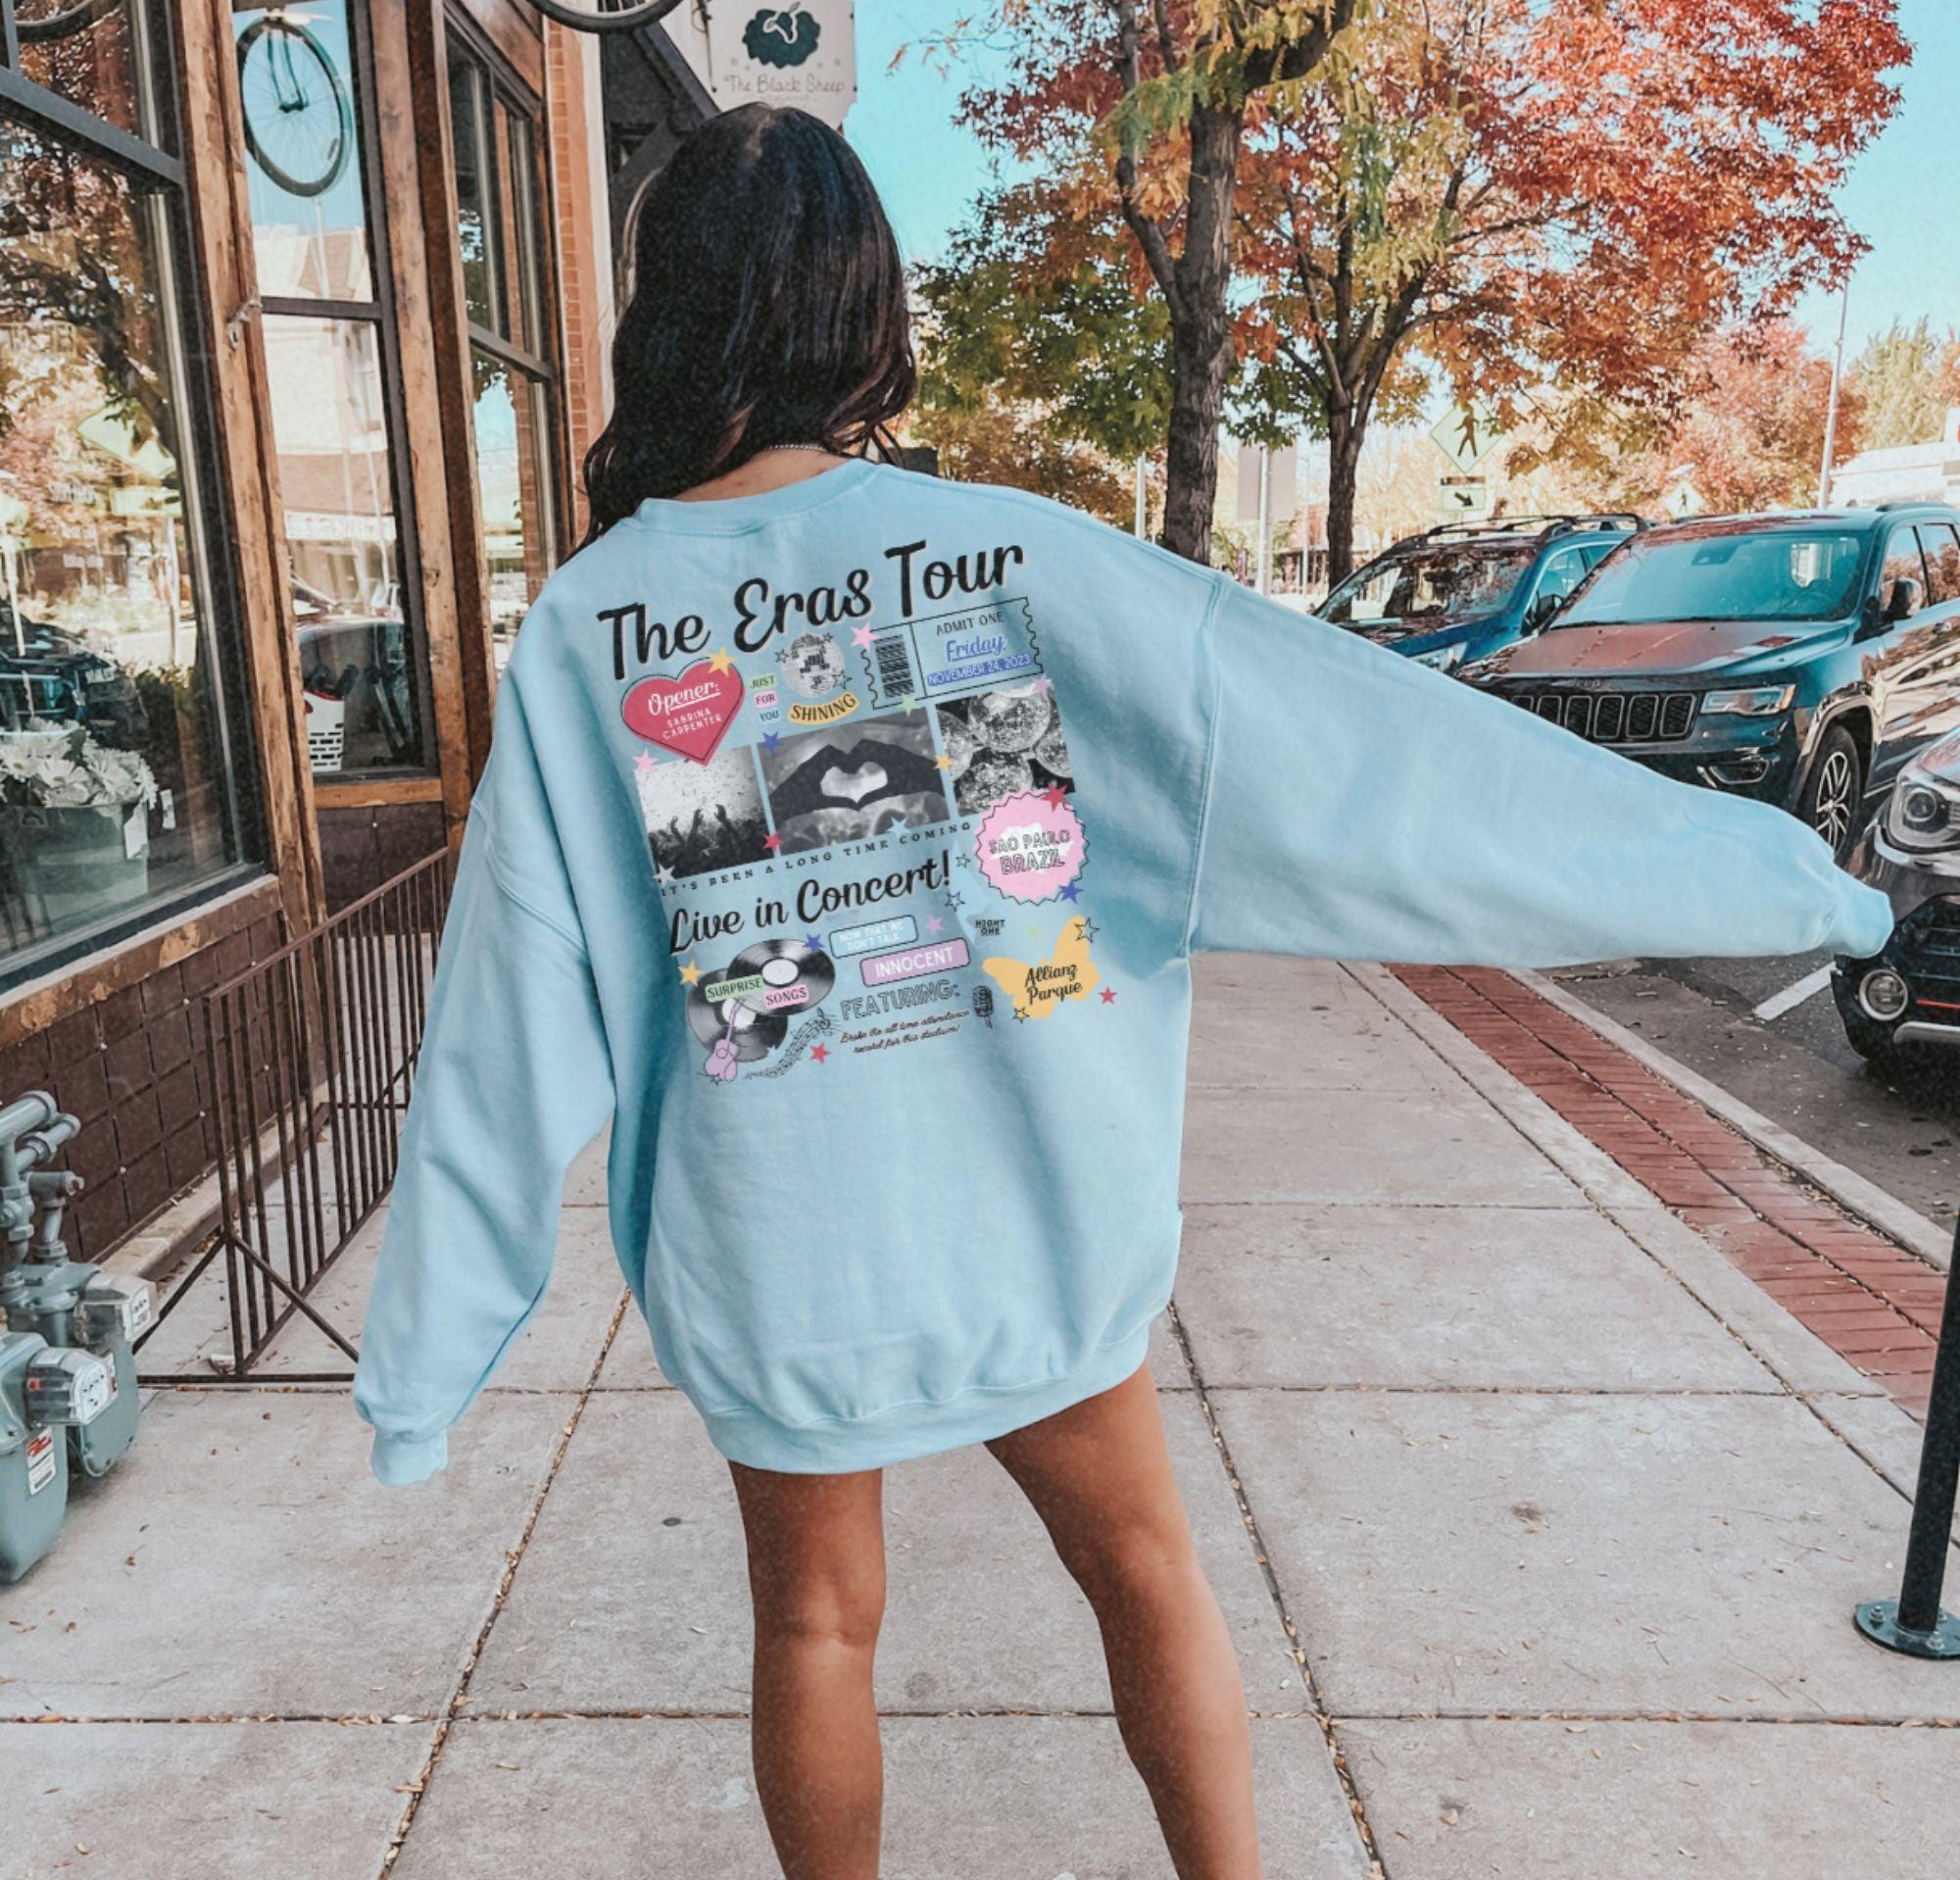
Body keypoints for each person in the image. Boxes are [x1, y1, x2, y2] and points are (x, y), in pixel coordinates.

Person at [354, 104, 1892, 1878]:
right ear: (869, 308)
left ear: (666, 310)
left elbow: (499, 1025)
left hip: (783, 1248)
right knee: (1148, 1569)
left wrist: (424, 1367)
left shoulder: (594, 625)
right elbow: (1380, 768)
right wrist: (1784, 881)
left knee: (813, 1626)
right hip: (1035, 1226)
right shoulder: (1029, 564)